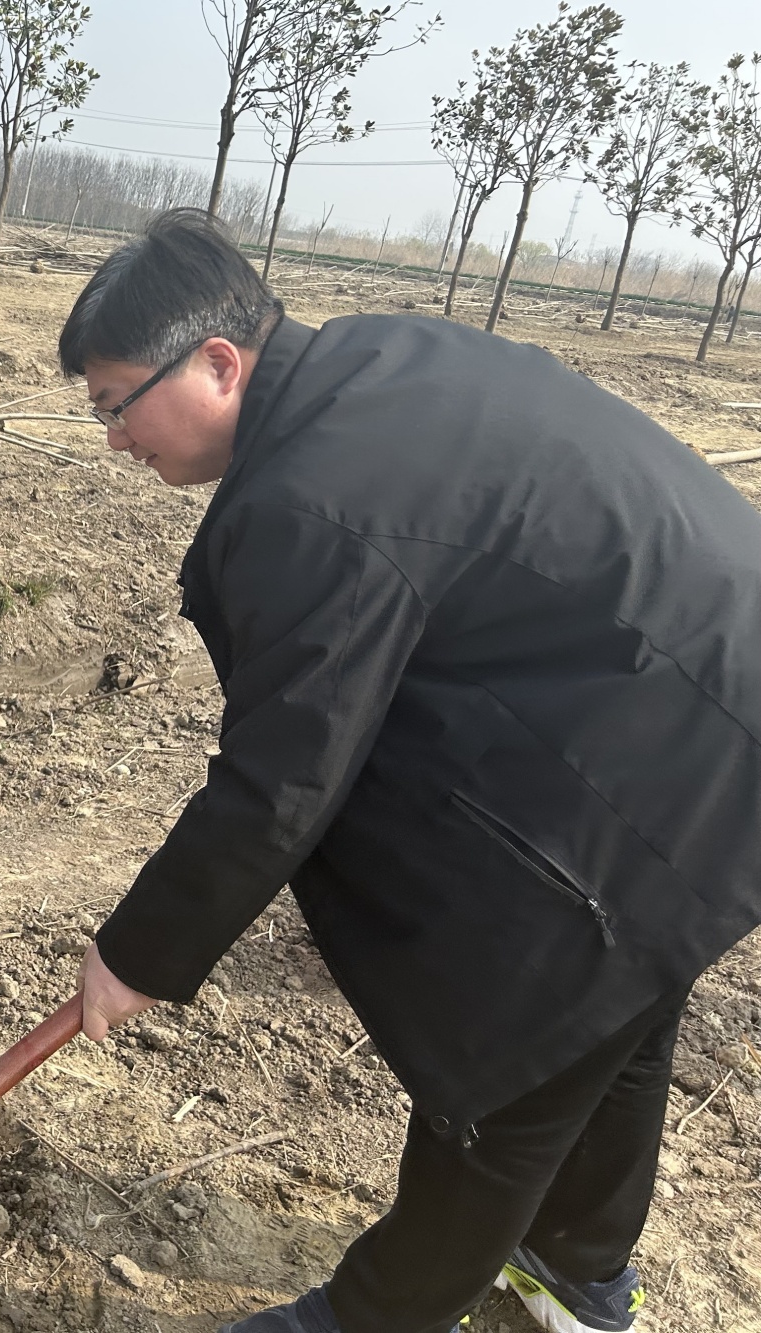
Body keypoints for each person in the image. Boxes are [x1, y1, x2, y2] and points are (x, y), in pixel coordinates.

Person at [60, 208, 761, 1333]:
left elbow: (286, 771)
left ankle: (372, 1317)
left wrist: (141, 949)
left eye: (114, 404)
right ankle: (578, 1268)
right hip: (687, 685)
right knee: (619, 991)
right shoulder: (368, 362)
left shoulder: (310, 495)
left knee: (526, 1027)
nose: (112, 439)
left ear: (218, 362)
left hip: (687, 717)